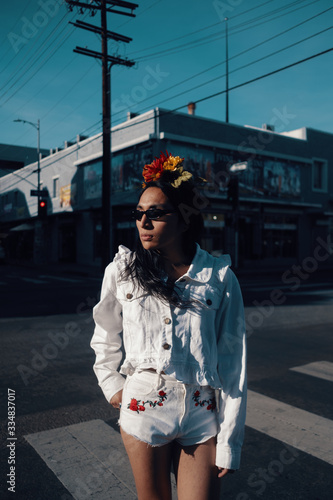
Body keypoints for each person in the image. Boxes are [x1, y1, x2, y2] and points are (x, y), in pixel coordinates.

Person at [91, 151, 247, 500]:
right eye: (139, 214)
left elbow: (234, 365)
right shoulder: (122, 271)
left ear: (184, 218)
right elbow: (104, 335)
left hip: (202, 415)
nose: (143, 222)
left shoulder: (219, 277)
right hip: (144, 410)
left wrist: (230, 442)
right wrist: (112, 384)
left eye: (156, 214)